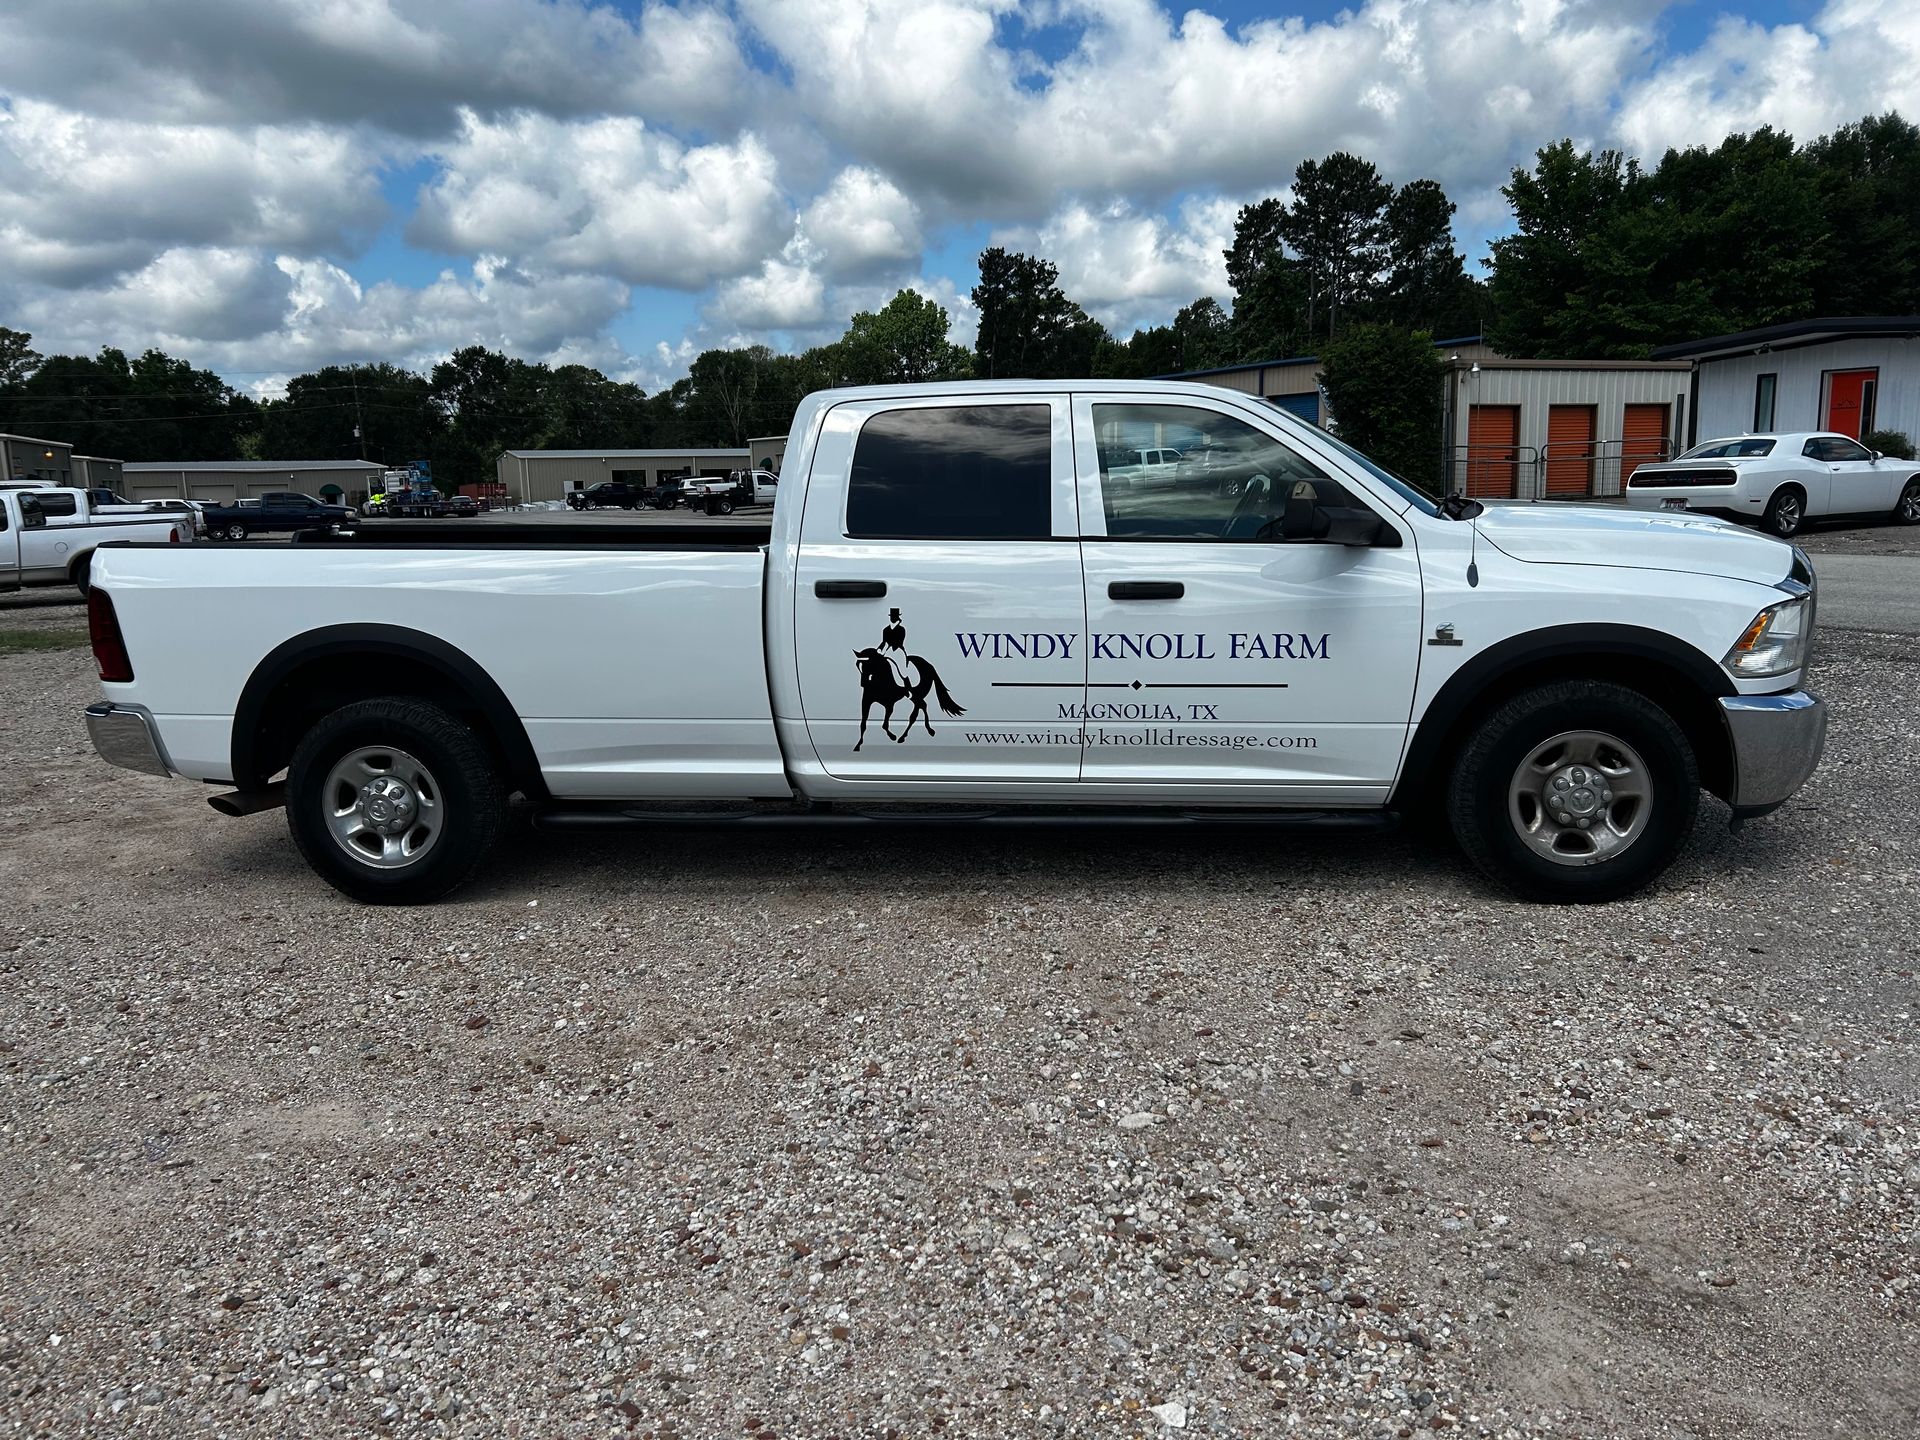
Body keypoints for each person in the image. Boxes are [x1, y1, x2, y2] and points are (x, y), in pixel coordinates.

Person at [878, 608, 912, 688]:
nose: (892, 618)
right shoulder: (886, 629)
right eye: (891, 617)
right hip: (887, 650)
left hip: (898, 650)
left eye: (894, 617)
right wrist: (879, 649)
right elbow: (884, 641)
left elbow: (899, 642)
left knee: (903, 671)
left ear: (897, 618)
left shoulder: (901, 629)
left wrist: (887, 647)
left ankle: (908, 688)